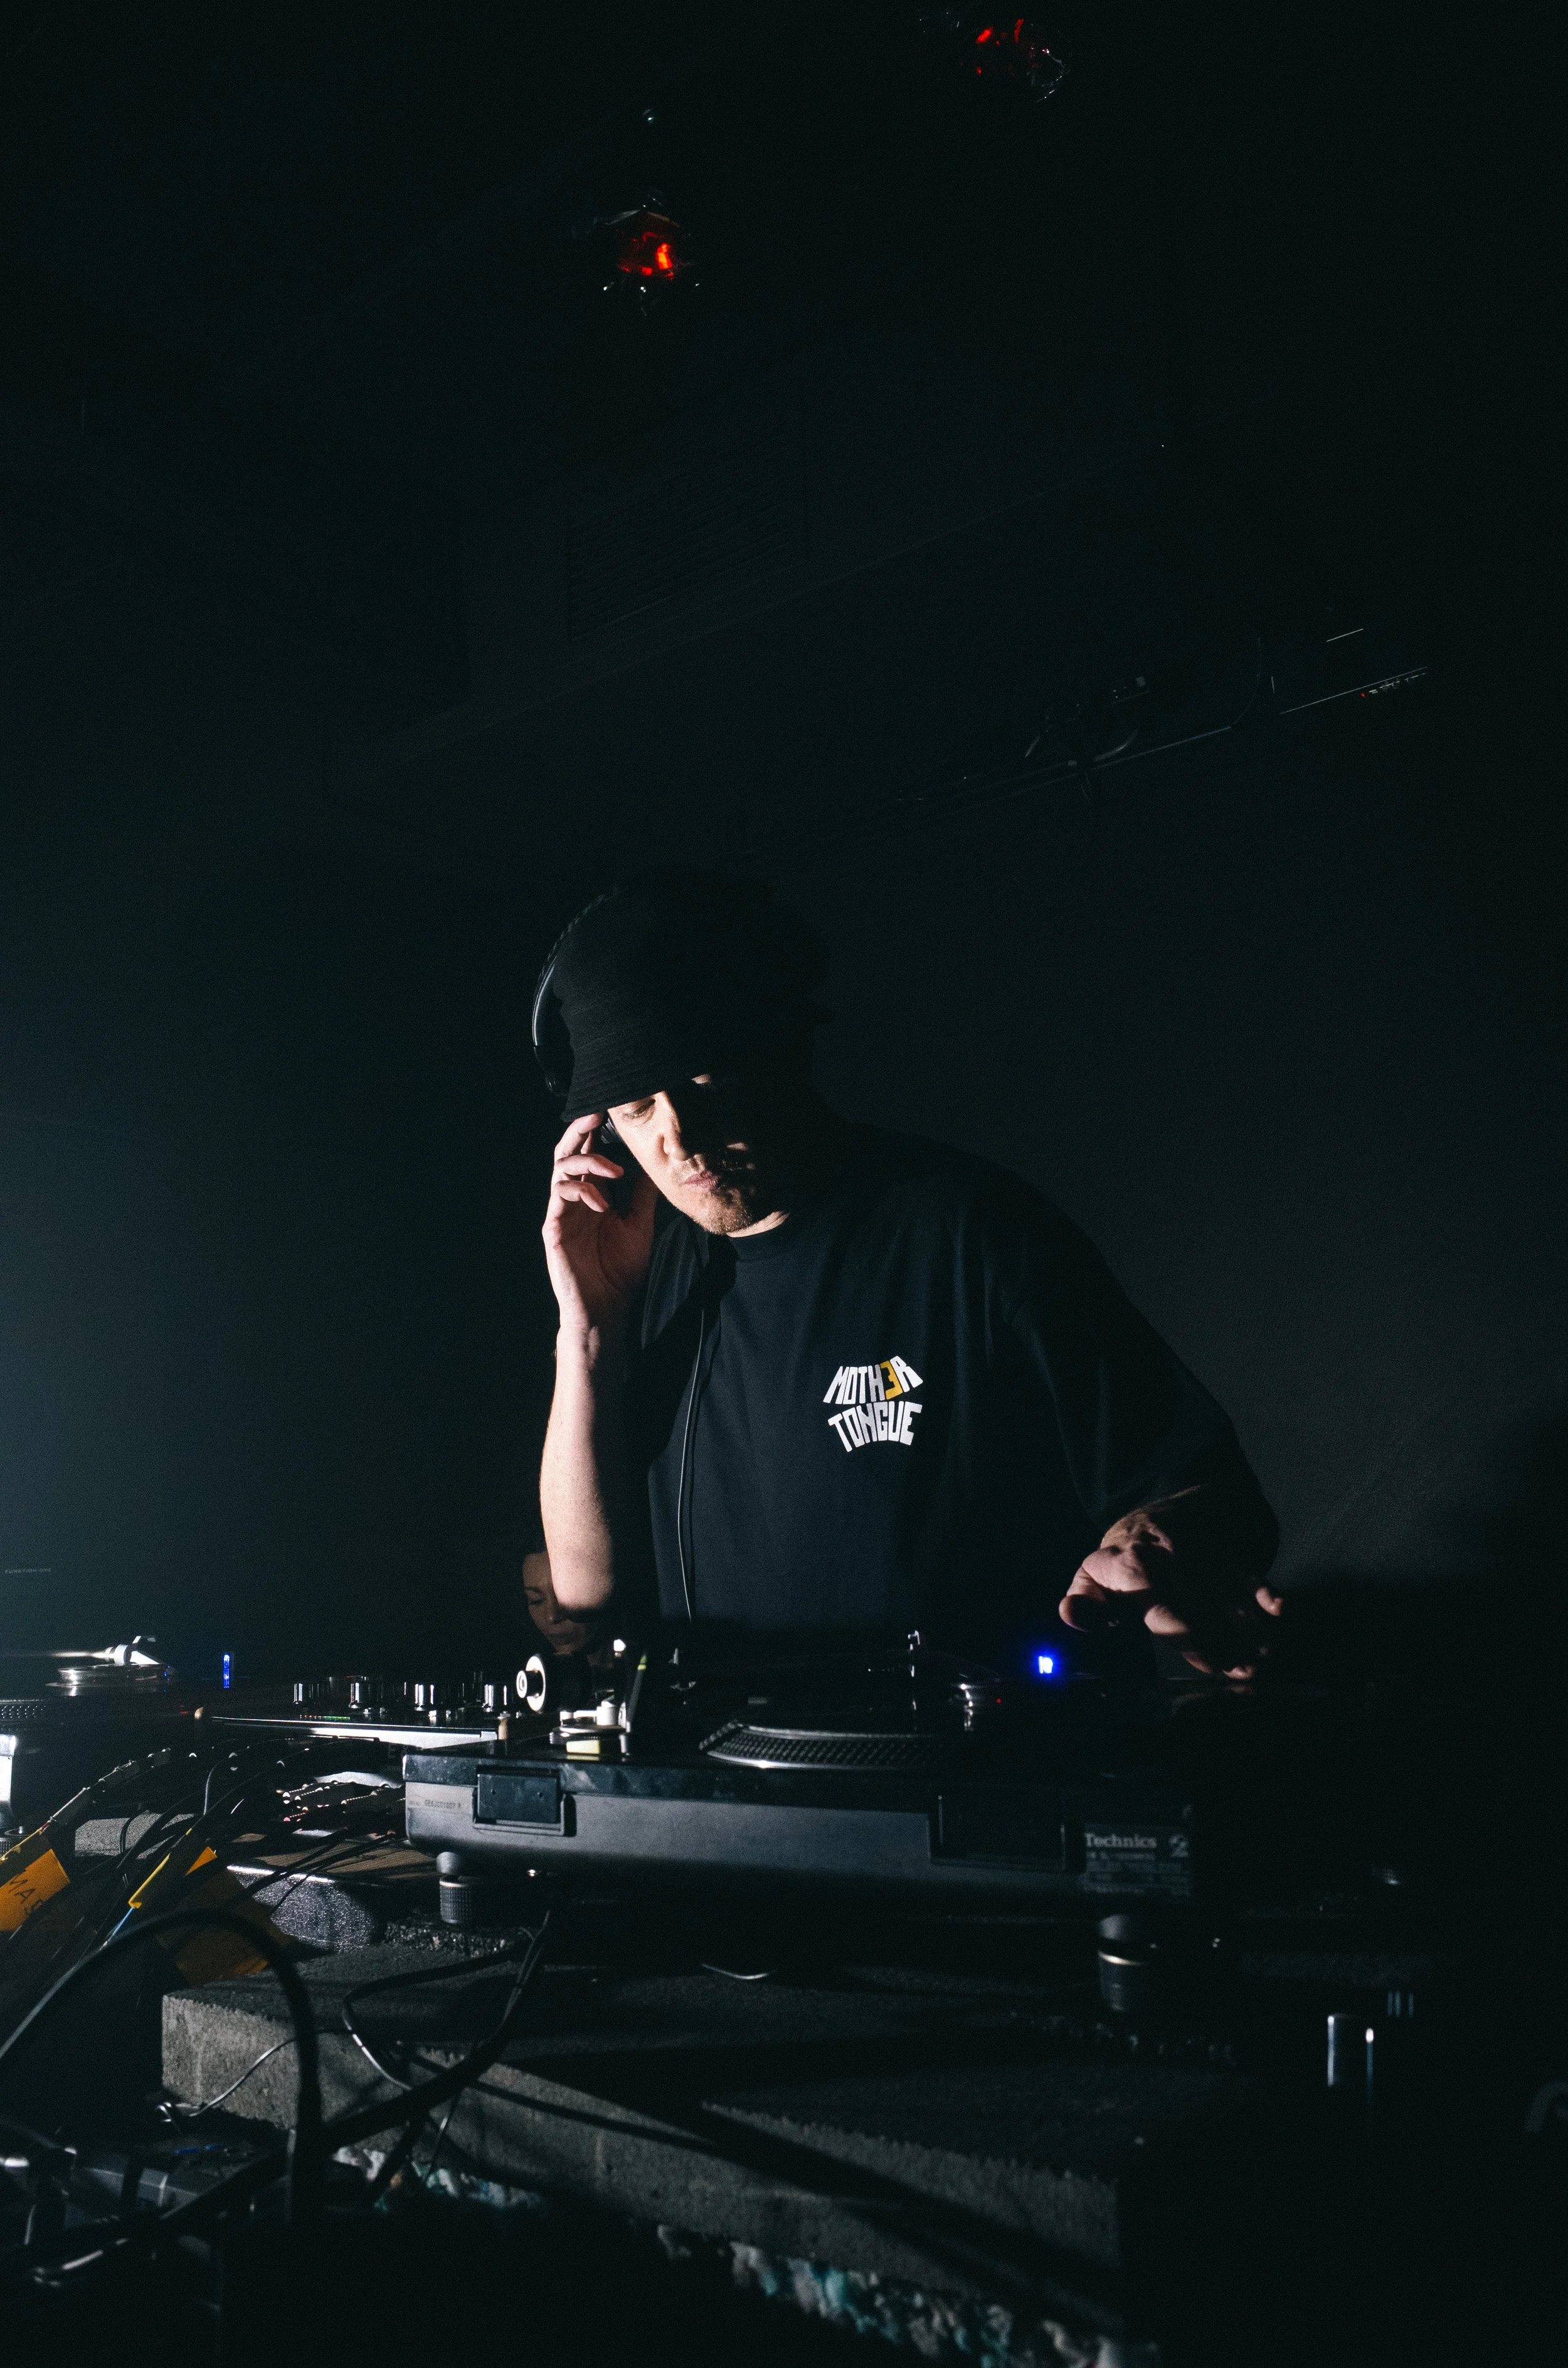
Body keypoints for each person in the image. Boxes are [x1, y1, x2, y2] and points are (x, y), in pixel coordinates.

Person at [537, 869, 1282, 1677]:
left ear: (783, 1043)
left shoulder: (974, 1231)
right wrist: (590, 1329)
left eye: (702, 1075)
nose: (678, 1136)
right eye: (636, 1107)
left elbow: (1200, 1486)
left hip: (971, 1754)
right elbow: (587, 1591)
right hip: (735, 1757)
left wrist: (1155, 1545)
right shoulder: (652, 1275)